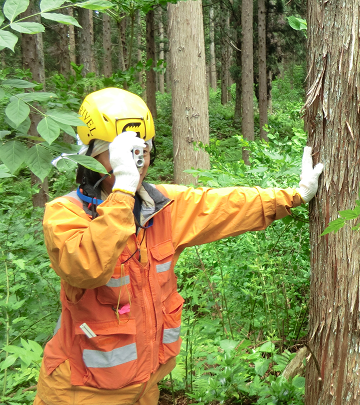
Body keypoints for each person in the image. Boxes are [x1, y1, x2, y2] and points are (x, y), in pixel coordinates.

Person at [33, 88, 323, 405]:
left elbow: (226, 205)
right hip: (81, 391)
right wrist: (123, 192)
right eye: (120, 152)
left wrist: (294, 196)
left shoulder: (163, 206)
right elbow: (86, 268)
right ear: (90, 157)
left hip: (145, 385)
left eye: (141, 150)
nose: (136, 161)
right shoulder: (65, 214)